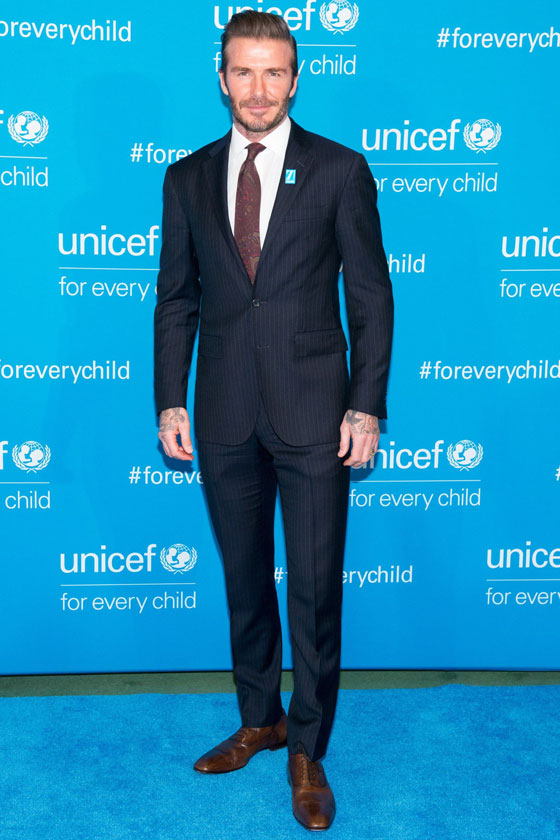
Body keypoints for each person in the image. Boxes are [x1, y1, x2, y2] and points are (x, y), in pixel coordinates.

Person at [153, 10, 393, 831]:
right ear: (222, 78)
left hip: (317, 413)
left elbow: (371, 297)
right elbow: (176, 299)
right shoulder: (186, 177)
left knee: (315, 590)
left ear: (295, 79)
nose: (258, 89)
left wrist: (365, 404)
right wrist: (171, 398)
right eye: (244, 72)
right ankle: (260, 718)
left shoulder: (339, 169)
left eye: (274, 72)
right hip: (222, 410)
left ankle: (308, 749)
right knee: (245, 579)